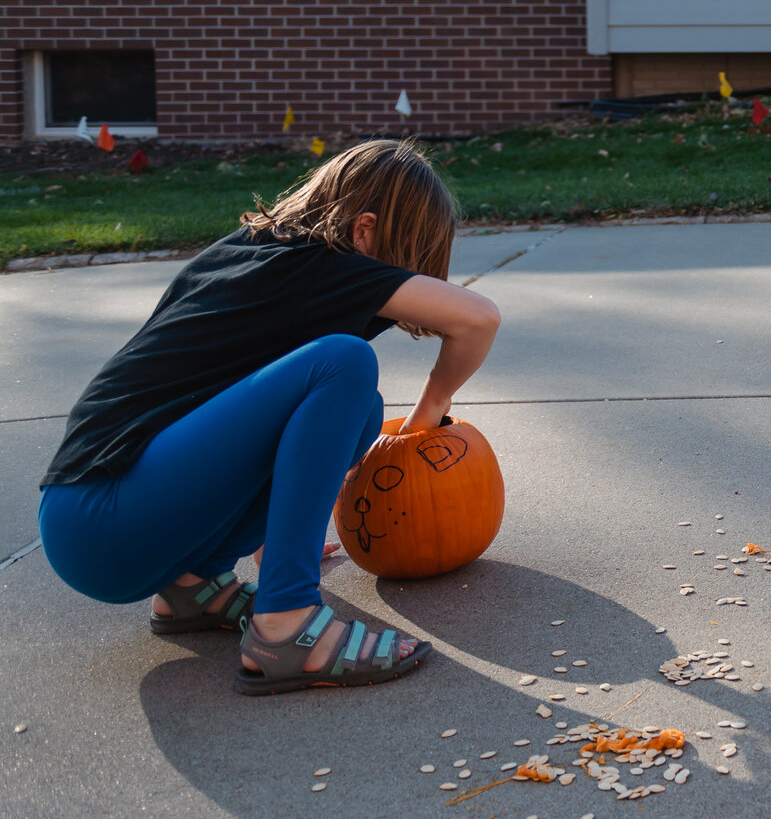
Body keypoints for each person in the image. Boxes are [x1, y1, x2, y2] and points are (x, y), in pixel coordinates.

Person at [38, 139, 500, 693]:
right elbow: (478, 318)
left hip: (98, 518)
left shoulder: (251, 254)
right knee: (345, 362)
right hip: (102, 516)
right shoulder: (320, 265)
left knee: (360, 407)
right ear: (364, 230)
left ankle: (193, 584)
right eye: (410, 255)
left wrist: (276, 535)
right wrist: (429, 416)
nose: (412, 276)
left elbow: (229, 402)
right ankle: (288, 627)